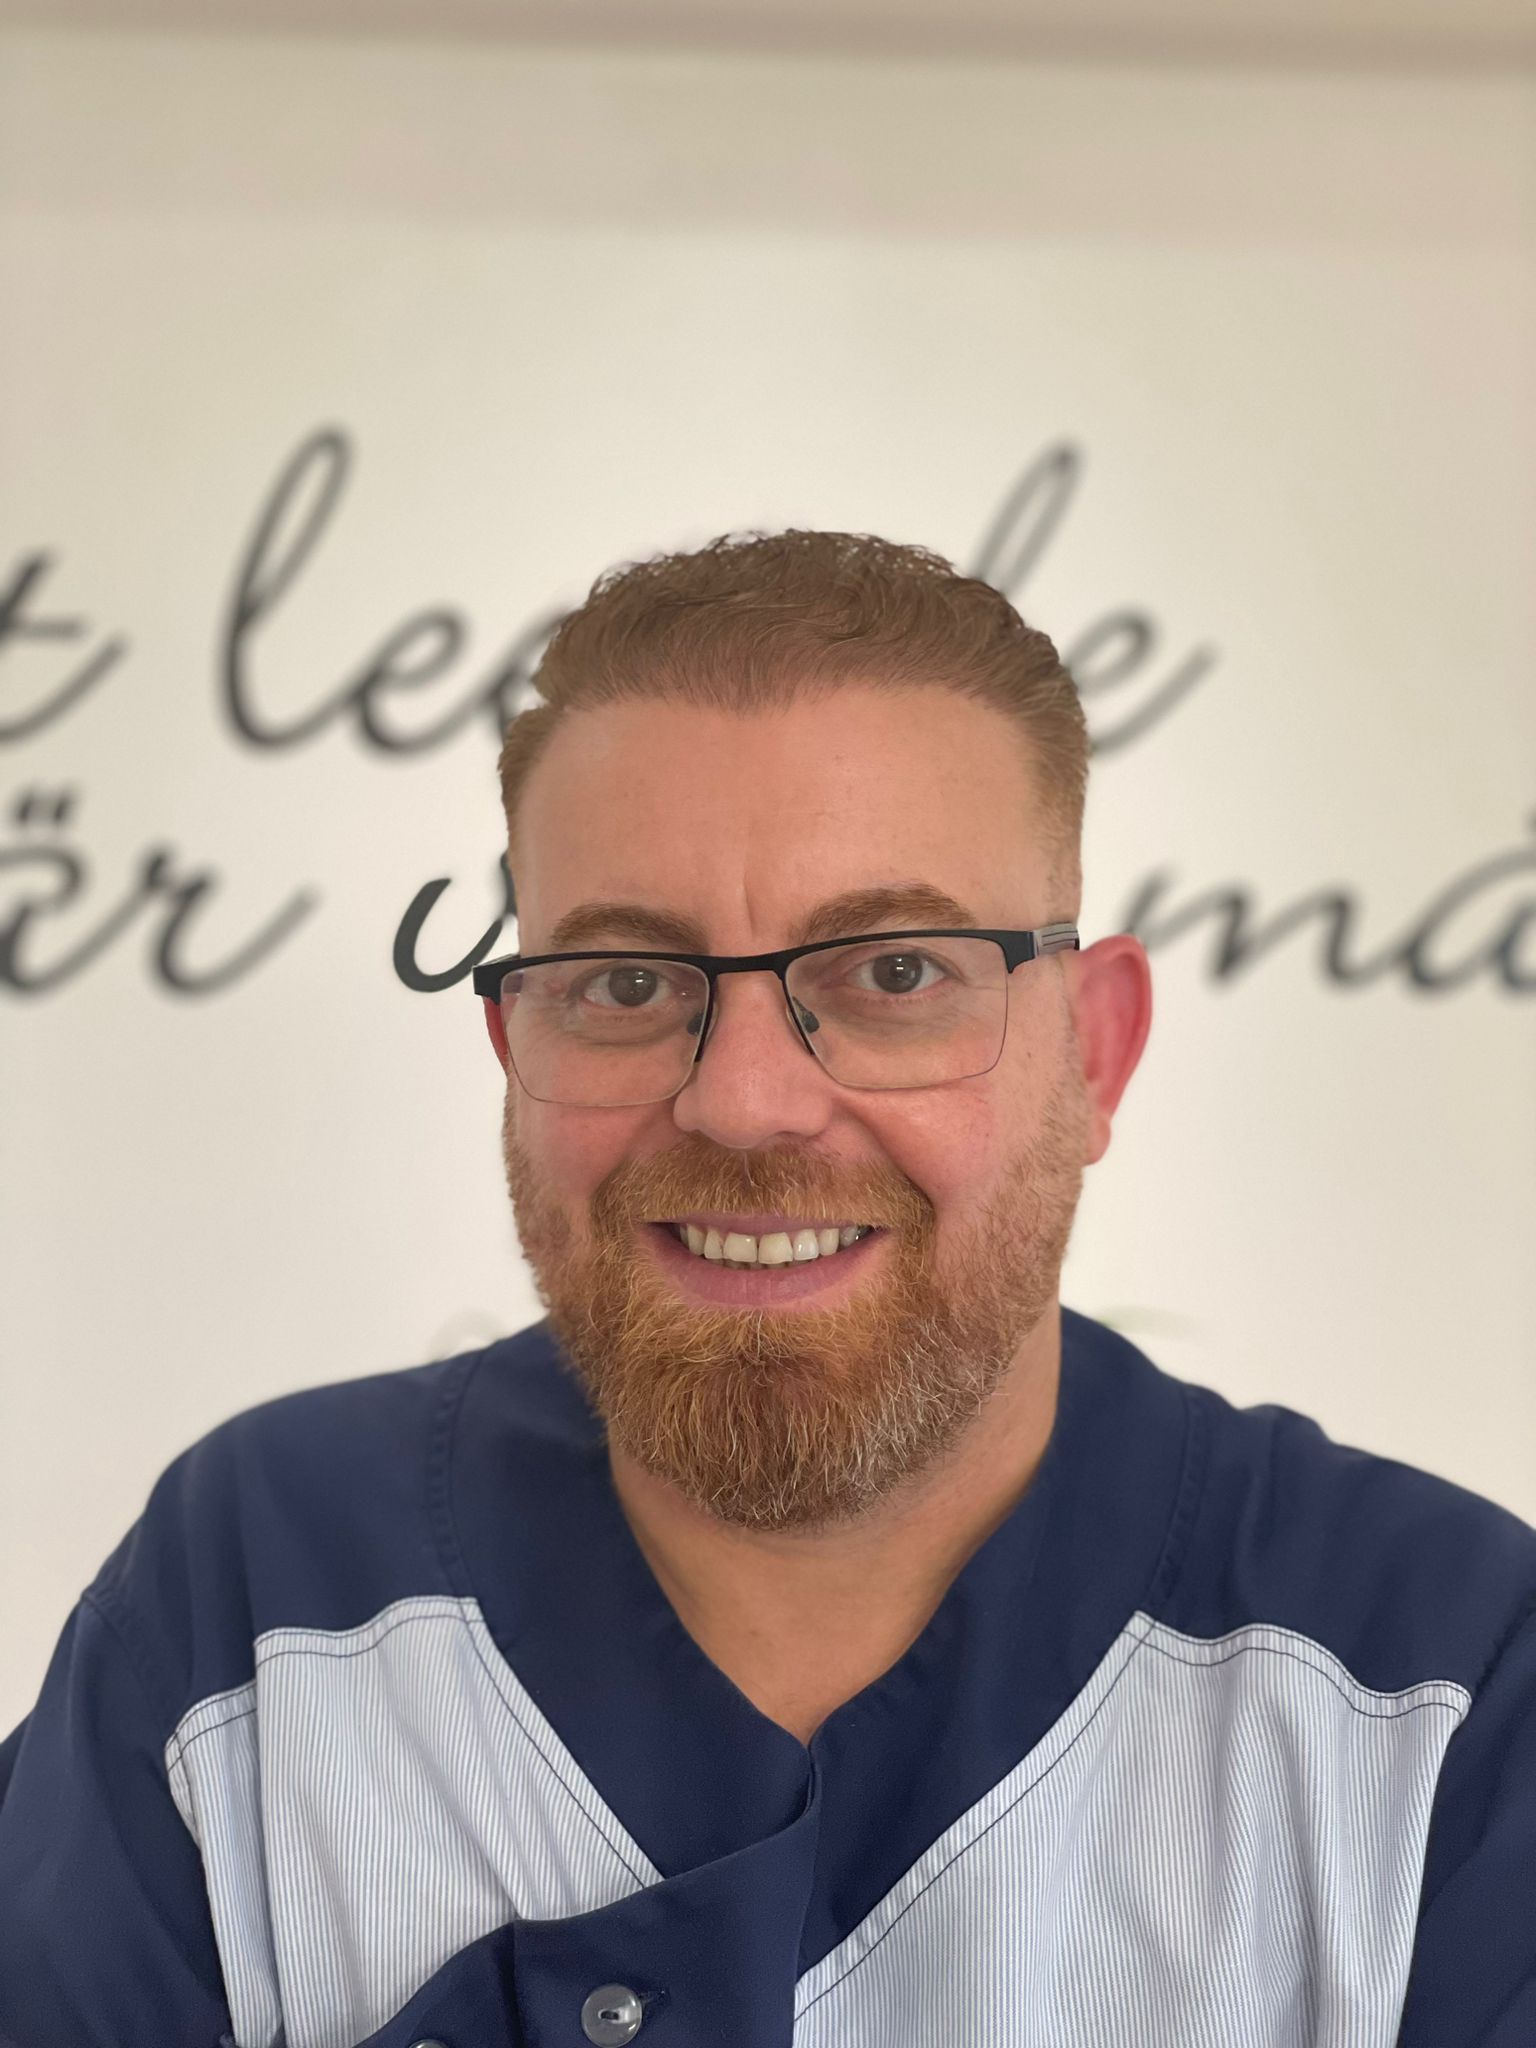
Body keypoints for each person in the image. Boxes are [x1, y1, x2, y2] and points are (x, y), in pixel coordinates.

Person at [2, 532, 1532, 2048]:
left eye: (895, 974)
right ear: (517, 1055)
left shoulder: (1447, 1682)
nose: (743, 1105)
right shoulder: (251, 1599)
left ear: (1095, 1051)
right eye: (624, 985)